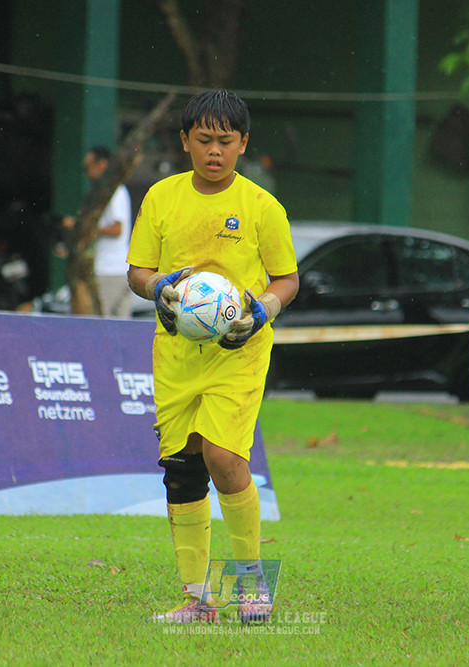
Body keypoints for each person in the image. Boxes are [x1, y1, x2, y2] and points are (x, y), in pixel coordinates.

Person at [126, 89, 299, 624]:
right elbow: (137, 271)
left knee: (224, 459)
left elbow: (287, 279)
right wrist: (157, 288)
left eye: (225, 140)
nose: (214, 151)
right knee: (182, 469)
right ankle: (199, 601)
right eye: (204, 140)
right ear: (185, 141)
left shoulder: (262, 207)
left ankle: (252, 585)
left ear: (243, 143)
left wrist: (262, 312)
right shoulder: (161, 197)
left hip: (238, 351)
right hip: (177, 352)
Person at [60, 146, 134, 317]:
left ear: (102, 164)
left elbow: (117, 229)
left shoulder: (114, 192)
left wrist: (83, 227)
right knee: (120, 324)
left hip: (109, 270)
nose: (86, 172)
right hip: (119, 269)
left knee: (97, 320)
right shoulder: (103, 193)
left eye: (88, 167)